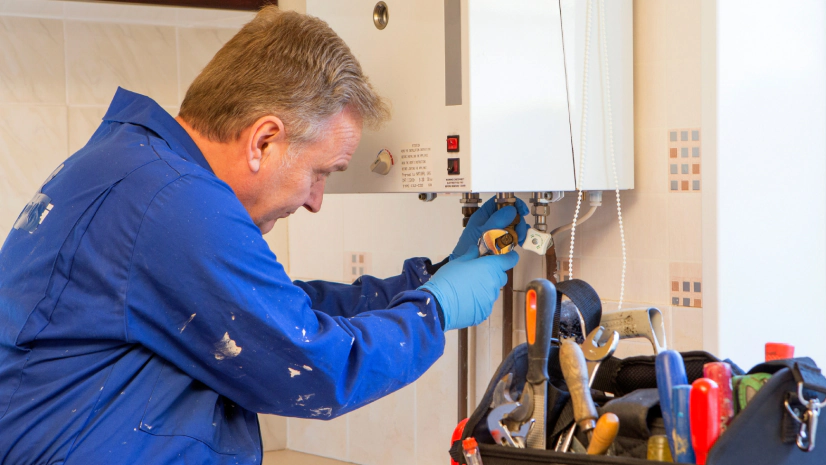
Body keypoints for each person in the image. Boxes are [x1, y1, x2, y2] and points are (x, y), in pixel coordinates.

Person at [0, 7, 527, 464]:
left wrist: (429, 279)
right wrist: (433, 310)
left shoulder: (143, 172)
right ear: (264, 141)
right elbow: (315, 364)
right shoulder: (173, 201)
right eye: (322, 172)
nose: (317, 200)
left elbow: (272, 313)